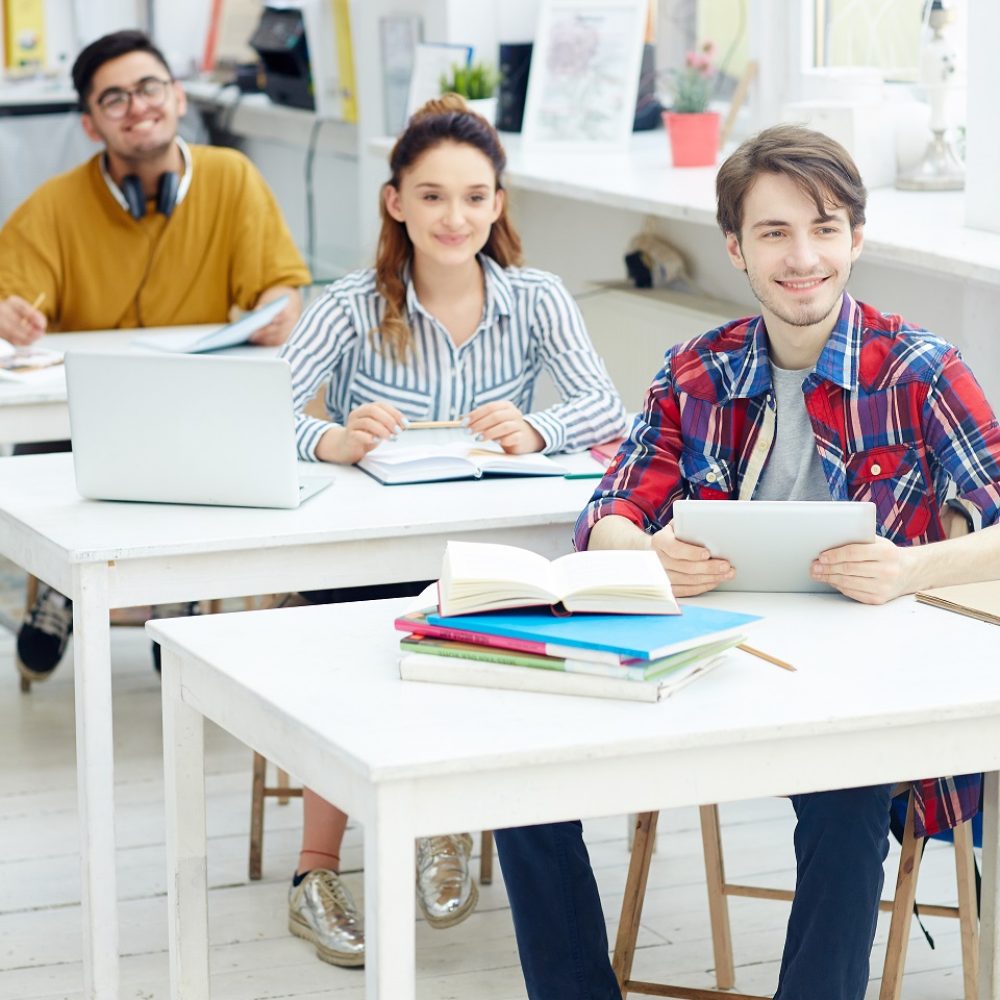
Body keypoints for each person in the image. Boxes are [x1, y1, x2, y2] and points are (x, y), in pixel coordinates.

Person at [493, 124, 1000, 1000]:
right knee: (513, 774)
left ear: (857, 238)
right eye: (774, 233)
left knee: (848, 806)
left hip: (855, 691)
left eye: (826, 228)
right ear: (735, 247)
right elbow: (604, 517)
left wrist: (910, 571)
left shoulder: (920, 371)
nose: (804, 257)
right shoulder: (697, 371)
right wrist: (644, 550)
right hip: (703, 668)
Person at [277, 94, 627, 968]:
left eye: (475, 196)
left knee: (491, 628)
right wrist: (332, 437)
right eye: (431, 195)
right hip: (369, 546)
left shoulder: (537, 297)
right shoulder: (353, 303)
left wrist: (536, 426)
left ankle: (441, 822)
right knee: (352, 640)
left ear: (499, 203)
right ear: (395, 200)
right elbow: (259, 411)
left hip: (486, 544)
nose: (454, 216)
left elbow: (604, 404)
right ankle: (315, 872)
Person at [0, 29, 311, 681]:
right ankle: (77, 585)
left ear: (175, 96)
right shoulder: (55, 204)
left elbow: (280, 286)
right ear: (90, 124)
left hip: (196, 414)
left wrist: (281, 306)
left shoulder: (232, 179)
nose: (137, 107)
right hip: (82, 425)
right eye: (114, 99)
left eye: (148, 88)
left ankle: (178, 604)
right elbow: (7, 294)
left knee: (206, 456)